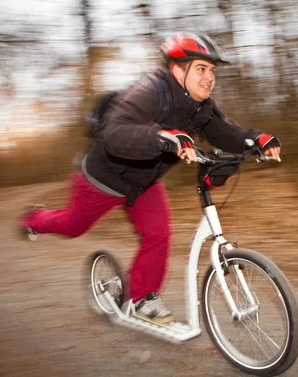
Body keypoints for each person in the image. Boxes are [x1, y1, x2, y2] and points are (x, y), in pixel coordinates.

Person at [19, 32, 281, 324]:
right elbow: (114, 132)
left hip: (143, 184)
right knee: (72, 226)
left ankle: (142, 297)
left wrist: (257, 139)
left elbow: (226, 132)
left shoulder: (201, 107)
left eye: (212, 71)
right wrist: (161, 137)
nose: (209, 78)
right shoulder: (150, 90)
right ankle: (33, 220)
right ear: (177, 69)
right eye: (201, 69)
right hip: (103, 179)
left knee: (158, 233)